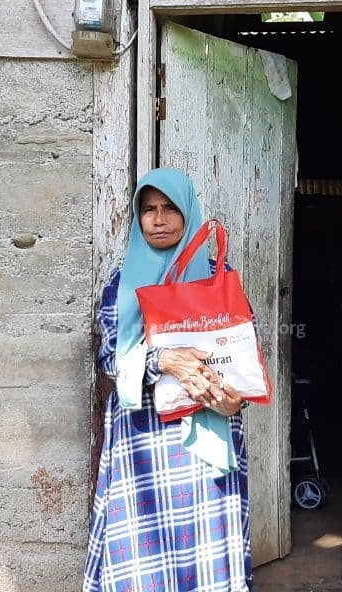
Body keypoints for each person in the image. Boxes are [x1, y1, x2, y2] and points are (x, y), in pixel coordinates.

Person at [84, 168, 252, 592]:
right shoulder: (122, 284)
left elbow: (244, 354)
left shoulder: (219, 277)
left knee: (206, 549)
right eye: (149, 210)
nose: (159, 220)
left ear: (189, 213)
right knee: (143, 555)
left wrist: (237, 400)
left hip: (208, 429)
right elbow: (109, 361)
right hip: (143, 440)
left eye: (170, 209)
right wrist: (164, 360)